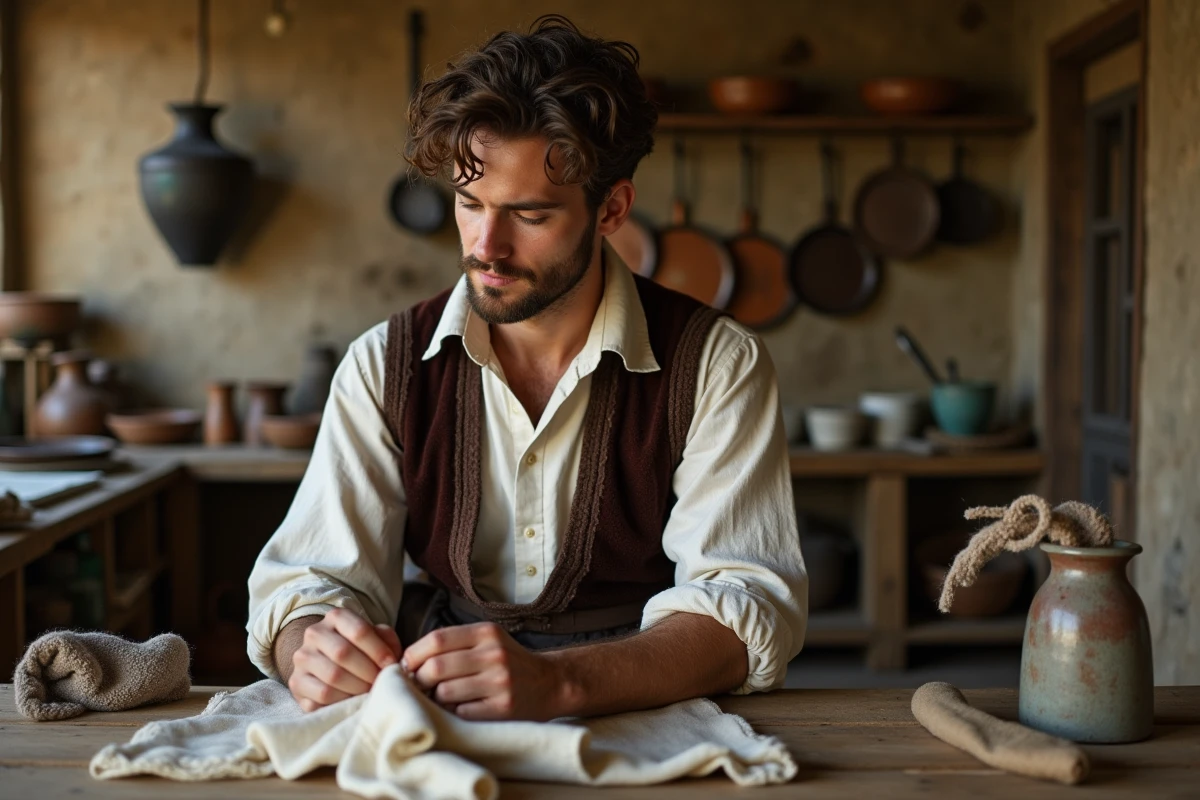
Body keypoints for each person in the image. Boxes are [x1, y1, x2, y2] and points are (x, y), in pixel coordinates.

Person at [246, 15, 807, 722]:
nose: (487, 246)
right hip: (438, 703)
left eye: (530, 216)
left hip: (644, 703)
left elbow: (743, 607)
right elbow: (312, 580)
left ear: (612, 210)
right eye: (469, 204)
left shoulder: (717, 364)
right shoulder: (382, 367)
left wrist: (560, 684)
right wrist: (313, 647)